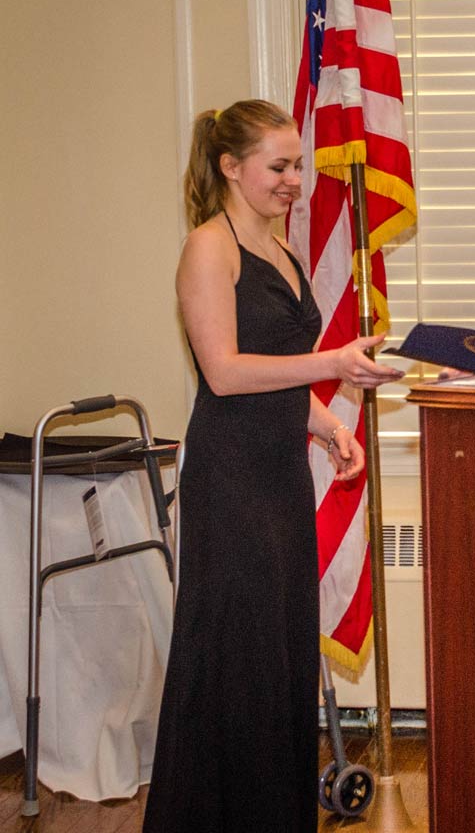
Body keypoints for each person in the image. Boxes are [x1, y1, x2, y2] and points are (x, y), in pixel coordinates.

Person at [144, 100, 403, 832]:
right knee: (238, 661)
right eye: (279, 167)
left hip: (282, 477)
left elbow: (279, 373)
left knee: (283, 659)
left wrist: (329, 426)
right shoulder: (209, 247)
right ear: (231, 166)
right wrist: (333, 365)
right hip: (230, 481)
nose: (295, 181)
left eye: (298, 166)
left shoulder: (282, 248)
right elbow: (225, 373)